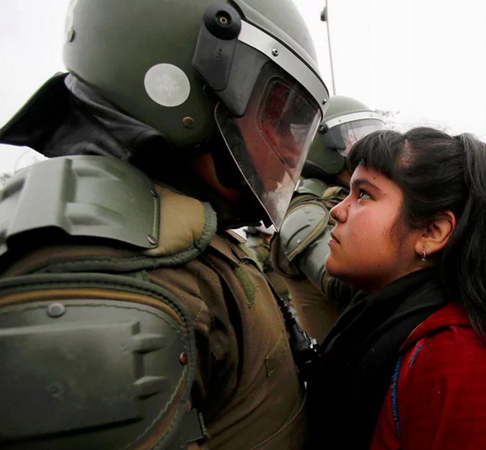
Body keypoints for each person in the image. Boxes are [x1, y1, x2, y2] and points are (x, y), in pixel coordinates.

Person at [0, 0, 328, 448]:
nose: (292, 151)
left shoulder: (183, 224)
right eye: (274, 114)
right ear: (181, 81)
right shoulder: (101, 266)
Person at [309, 129, 486, 449]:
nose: (337, 210)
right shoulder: (398, 323)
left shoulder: (456, 360)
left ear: (432, 231)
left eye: (364, 195)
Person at [270, 95, 384, 342]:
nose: (366, 151)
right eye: (353, 139)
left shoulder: (346, 198)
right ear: (324, 145)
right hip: (346, 369)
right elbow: (344, 282)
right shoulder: (304, 212)